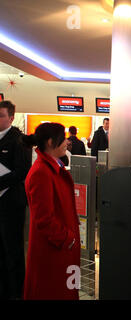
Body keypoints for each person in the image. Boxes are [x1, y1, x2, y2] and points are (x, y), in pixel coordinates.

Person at [22, 122, 80, 299]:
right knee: (54, 291)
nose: (66, 142)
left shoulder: (53, 166)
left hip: (62, 247)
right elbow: (44, 219)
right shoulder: (41, 172)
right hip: (53, 250)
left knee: (67, 289)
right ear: (49, 142)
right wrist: (67, 239)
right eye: (62, 139)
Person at [0, 100, 31, 300]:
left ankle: (17, 292)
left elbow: (22, 172)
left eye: (1, 116)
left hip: (12, 203)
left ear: (11, 117)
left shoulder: (19, 140)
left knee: (12, 249)